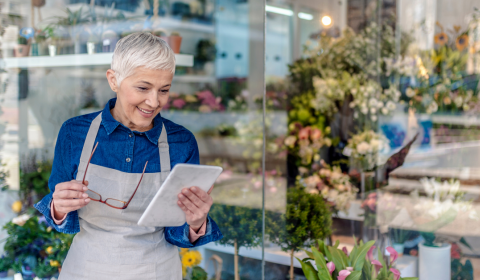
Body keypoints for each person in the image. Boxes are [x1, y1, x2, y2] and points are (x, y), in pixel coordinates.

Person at [34, 32, 223, 279]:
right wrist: (58, 207)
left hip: (157, 271)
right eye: (143, 87)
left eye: (164, 90)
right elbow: (58, 216)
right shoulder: (74, 133)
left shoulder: (182, 142)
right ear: (113, 80)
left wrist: (197, 222)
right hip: (86, 269)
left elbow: (177, 232)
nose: (154, 101)